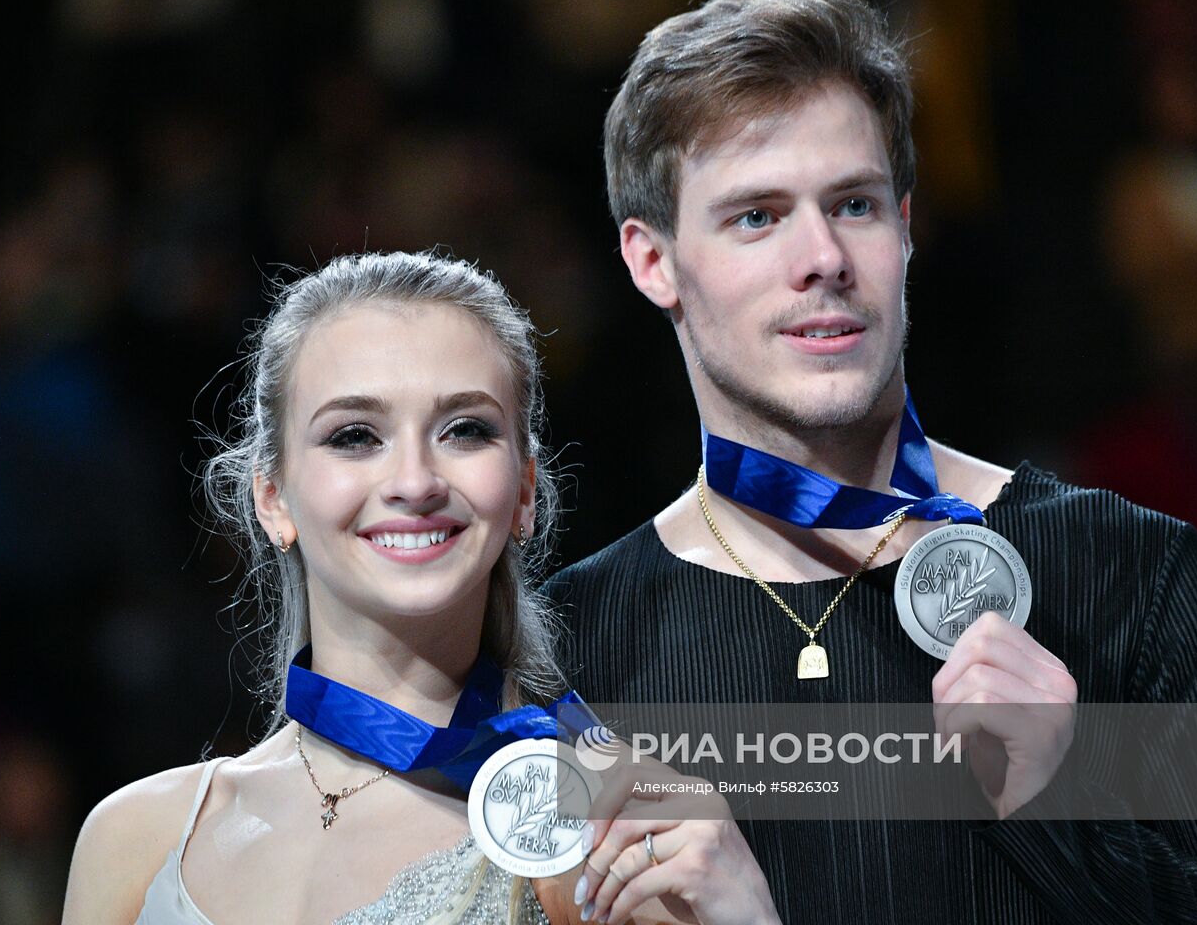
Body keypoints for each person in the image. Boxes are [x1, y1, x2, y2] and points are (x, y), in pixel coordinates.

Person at [544, 0, 1197, 924]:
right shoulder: (575, 651)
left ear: (907, 227)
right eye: (757, 216)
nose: (824, 257)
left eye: (854, 204)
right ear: (653, 262)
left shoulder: (1136, 574)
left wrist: (1058, 805)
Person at [61, 251, 779, 924]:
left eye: (464, 430)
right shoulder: (136, 837)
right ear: (273, 497)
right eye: (354, 436)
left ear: (524, 491)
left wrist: (747, 913)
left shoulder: (606, 827)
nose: (414, 482)